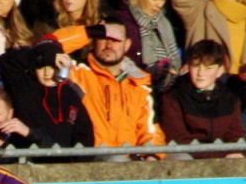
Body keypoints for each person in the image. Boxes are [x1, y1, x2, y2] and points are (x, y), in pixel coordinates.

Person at [48, 17, 166, 154]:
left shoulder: (139, 84)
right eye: (104, 38)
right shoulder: (77, 72)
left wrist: (152, 156)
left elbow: (150, 130)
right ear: (94, 41)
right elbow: (48, 45)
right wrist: (90, 31)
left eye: (116, 40)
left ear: (127, 45)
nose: (109, 45)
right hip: (90, 158)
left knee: (180, 157)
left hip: (131, 163)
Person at [0, 38, 96, 152]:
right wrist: (44, 56)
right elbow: (6, 61)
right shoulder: (23, 87)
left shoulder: (70, 94)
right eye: (41, 67)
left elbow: (84, 135)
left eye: (52, 67)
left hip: (65, 164)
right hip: (27, 161)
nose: (47, 73)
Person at [159, 39, 246, 158]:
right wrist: (216, 156)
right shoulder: (174, 96)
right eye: (196, 66)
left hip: (223, 158)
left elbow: (236, 135)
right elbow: (177, 138)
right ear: (189, 66)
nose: (200, 73)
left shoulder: (230, 98)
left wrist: (233, 153)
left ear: (220, 71)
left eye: (208, 68)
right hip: (189, 158)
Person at [116, 0, 181, 92]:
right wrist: (150, 74)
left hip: (165, 89)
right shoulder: (123, 21)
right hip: (134, 88)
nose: (160, 4)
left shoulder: (163, 22)